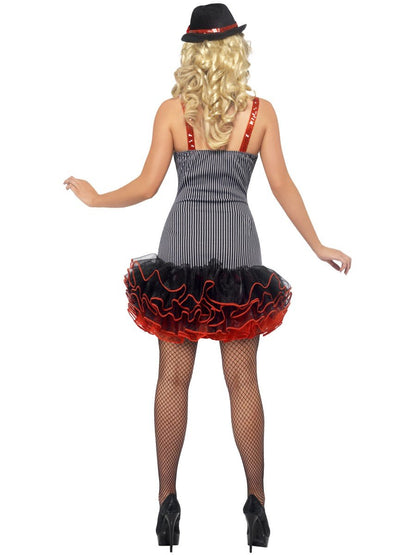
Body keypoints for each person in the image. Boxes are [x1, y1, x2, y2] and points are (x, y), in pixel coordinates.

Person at [63, 3, 351, 552]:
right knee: (243, 382)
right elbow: (282, 185)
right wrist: (316, 245)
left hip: (182, 248)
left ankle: (167, 505)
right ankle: (257, 506)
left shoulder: (173, 112)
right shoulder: (260, 114)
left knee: (173, 379)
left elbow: (148, 186)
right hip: (238, 248)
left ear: (192, 53)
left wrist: (97, 198)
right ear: (235, 50)